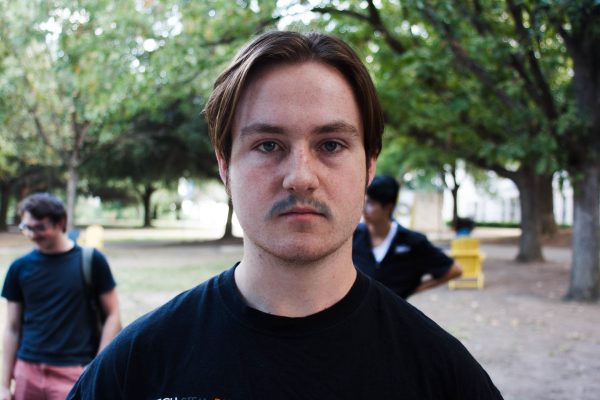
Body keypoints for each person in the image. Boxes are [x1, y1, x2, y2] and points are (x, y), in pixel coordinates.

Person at [67, 31, 503, 399]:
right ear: (225, 165)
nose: (300, 178)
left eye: (331, 144)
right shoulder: (135, 369)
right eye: (268, 145)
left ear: (369, 166)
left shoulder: (446, 379)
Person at [1, 193, 121, 400]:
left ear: (61, 222)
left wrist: (96, 367)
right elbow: (12, 327)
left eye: (39, 227)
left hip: (73, 371)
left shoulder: (91, 261)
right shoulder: (19, 268)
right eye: (26, 227)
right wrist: (3, 385)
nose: (32, 234)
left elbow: (113, 315)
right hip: (27, 370)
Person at [353, 175, 463, 299]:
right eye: (363, 201)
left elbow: (455, 270)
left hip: (392, 315)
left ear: (388, 207)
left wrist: (413, 290)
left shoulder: (412, 242)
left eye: (371, 204)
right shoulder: (353, 236)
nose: (363, 209)